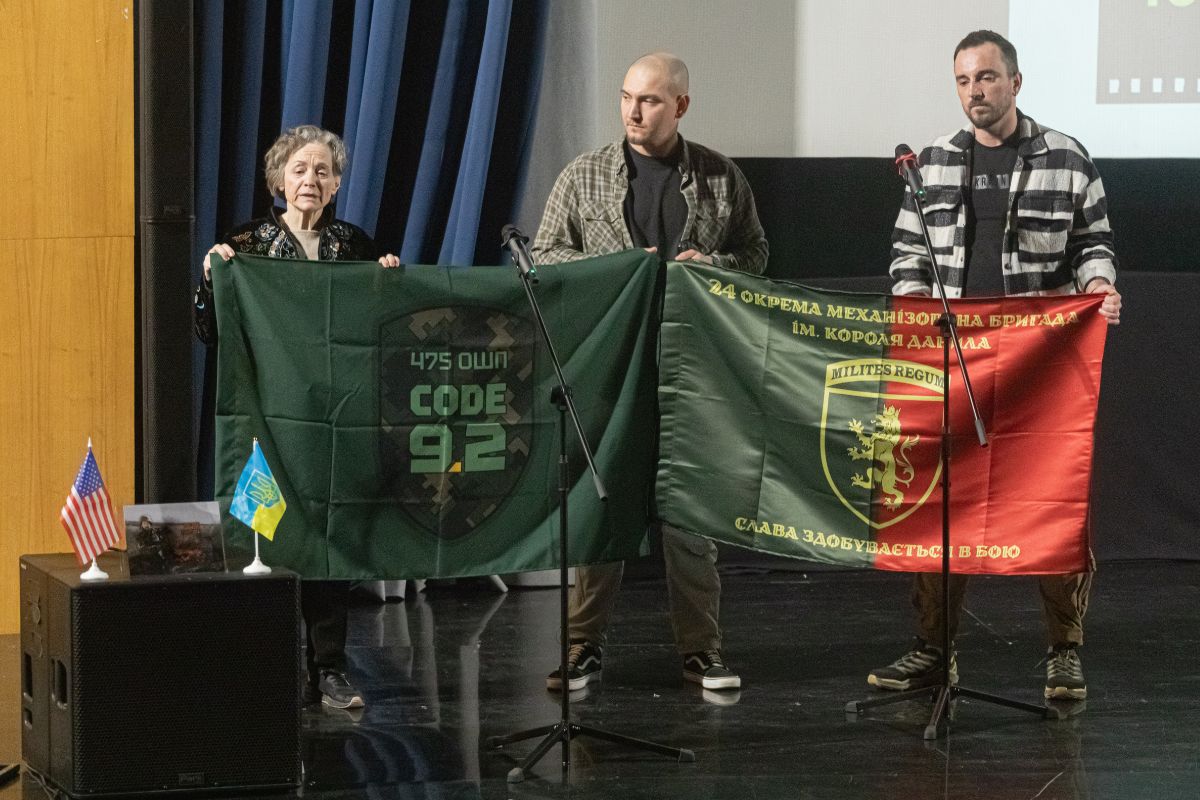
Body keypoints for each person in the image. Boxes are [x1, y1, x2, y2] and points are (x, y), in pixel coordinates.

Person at [870, 31, 1122, 702]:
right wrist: (917, 312)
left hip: (1041, 365)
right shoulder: (930, 163)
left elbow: (1093, 243)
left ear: (1015, 82)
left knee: (1053, 500)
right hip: (952, 360)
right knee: (939, 502)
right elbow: (907, 257)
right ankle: (934, 650)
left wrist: (1100, 287)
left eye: (985, 77)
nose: (974, 91)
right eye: (963, 80)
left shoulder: (1066, 157)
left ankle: (1064, 651)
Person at [531, 53, 768, 693]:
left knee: (690, 514)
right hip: (611, 366)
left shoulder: (719, 177)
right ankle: (581, 647)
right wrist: (616, 271)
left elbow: (756, 252)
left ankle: (702, 651)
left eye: (651, 100)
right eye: (627, 97)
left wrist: (713, 265)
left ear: (681, 106)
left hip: (691, 367)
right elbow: (544, 255)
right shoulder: (584, 175)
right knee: (602, 505)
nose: (634, 112)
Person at [193, 124, 400, 710]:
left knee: (327, 539)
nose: (311, 179)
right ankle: (265, 669)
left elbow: (381, 330)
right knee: (267, 537)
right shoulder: (246, 246)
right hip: (267, 420)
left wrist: (388, 280)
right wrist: (211, 278)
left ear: (335, 186)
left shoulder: (354, 245)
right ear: (279, 180)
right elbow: (208, 331)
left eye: (323, 171)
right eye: (300, 169)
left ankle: (329, 668)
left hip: (331, 421)